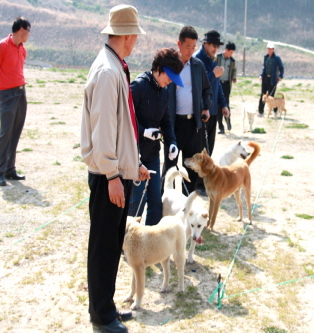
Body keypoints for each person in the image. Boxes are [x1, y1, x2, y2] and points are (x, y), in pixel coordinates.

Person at [80, 5, 150, 333]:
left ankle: (106, 307)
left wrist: (132, 166)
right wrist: (112, 174)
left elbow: (122, 129)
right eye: (134, 34)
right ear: (125, 35)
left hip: (117, 172)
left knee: (112, 243)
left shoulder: (115, 65)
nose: (136, 40)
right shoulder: (108, 72)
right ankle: (101, 315)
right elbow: (105, 130)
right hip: (108, 176)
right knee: (104, 245)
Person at [128, 48, 184, 225]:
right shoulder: (138, 86)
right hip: (134, 155)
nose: (169, 82)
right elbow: (123, 118)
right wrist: (143, 131)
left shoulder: (165, 91)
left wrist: (172, 143)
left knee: (155, 202)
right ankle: (127, 244)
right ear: (159, 68)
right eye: (169, 77)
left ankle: (150, 241)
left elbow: (166, 121)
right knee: (136, 202)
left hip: (152, 155)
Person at [160, 26, 212, 196]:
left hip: (193, 125)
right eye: (187, 46)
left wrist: (206, 107)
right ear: (179, 44)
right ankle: (162, 203)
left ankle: (186, 206)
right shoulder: (169, 66)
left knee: (191, 169)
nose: (190, 50)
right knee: (169, 166)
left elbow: (206, 90)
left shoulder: (197, 66)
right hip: (173, 125)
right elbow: (159, 92)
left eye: (193, 47)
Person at [0, 16, 31, 186]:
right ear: (21, 30)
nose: (29, 34)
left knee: (15, 132)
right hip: (6, 95)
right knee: (5, 133)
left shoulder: (22, 49)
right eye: (28, 31)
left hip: (21, 93)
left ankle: (9, 169)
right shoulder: (2, 46)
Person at [194, 30, 230, 156]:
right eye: (213, 45)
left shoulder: (213, 60)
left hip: (213, 111)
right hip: (202, 112)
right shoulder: (197, 60)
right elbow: (197, 85)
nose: (216, 49)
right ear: (206, 44)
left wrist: (224, 104)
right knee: (200, 153)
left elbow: (217, 85)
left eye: (218, 46)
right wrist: (213, 74)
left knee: (209, 152)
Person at [258, 41, 284, 117]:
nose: (269, 50)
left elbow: (281, 68)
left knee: (272, 96)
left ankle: (275, 111)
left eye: (271, 49)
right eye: (268, 49)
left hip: (273, 80)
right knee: (263, 95)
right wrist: (261, 75)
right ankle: (261, 112)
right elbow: (264, 68)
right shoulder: (265, 57)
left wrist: (280, 76)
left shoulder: (277, 58)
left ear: (273, 49)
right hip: (265, 78)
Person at [216, 41, 237, 134]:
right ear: (226, 50)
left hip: (226, 85)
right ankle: (220, 126)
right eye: (231, 52)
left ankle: (228, 121)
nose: (231, 54)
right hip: (217, 84)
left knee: (226, 104)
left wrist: (234, 77)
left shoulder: (232, 61)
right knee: (218, 106)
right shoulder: (217, 58)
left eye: (232, 53)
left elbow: (234, 70)